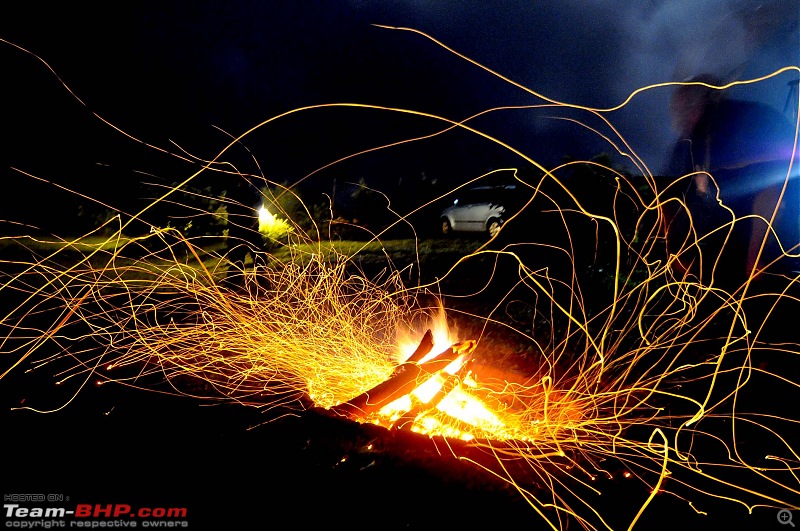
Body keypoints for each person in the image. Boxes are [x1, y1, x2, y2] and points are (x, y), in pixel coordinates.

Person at [663, 74, 800, 285]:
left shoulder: (748, 120)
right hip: (722, 248)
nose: (684, 116)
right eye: (680, 109)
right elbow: (668, 195)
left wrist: (755, 253)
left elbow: (773, 187)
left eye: (689, 106)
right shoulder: (689, 143)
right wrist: (673, 249)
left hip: (774, 242)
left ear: (707, 99)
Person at [222, 176, 264, 288]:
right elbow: (229, 207)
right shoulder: (234, 193)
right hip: (239, 232)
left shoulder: (250, 193)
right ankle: (233, 285)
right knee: (237, 259)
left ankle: (262, 281)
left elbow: (258, 206)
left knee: (259, 257)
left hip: (250, 231)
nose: (247, 182)